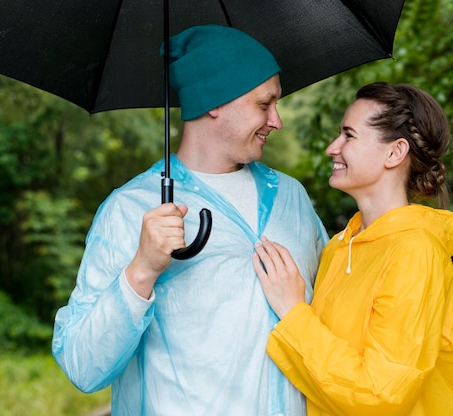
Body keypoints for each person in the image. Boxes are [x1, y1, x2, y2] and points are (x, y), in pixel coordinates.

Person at [52, 25, 328, 416]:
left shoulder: (292, 198)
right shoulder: (130, 208)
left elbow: (336, 310)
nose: (277, 121)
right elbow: (82, 366)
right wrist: (141, 272)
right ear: (215, 101)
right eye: (264, 105)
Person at [253, 82, 453, 415]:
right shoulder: (338, 247)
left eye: (349, 135)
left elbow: (380, 397)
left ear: (394, 152)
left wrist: (292, 311)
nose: (333, 147)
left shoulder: (415, 253)